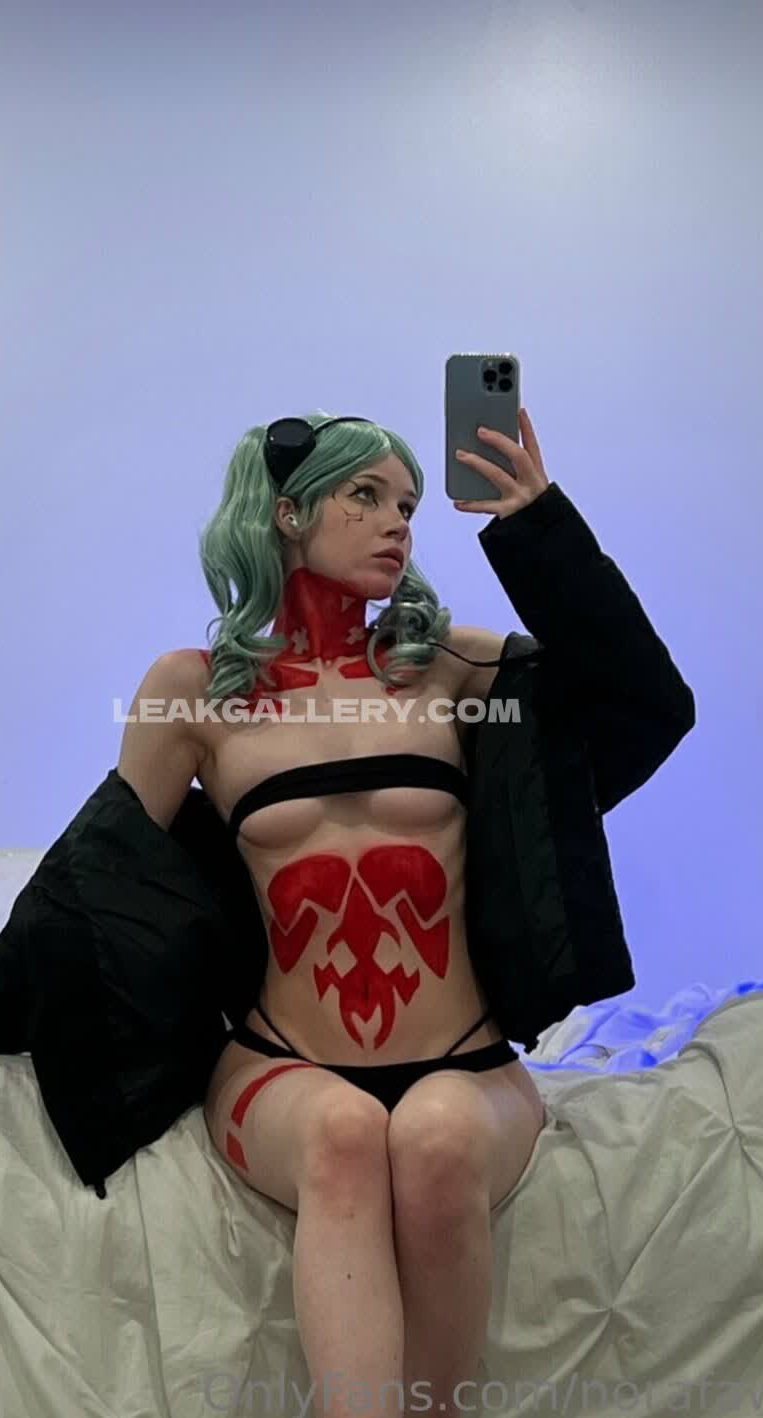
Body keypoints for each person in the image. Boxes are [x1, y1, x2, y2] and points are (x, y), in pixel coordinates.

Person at [114, 407, 579, 1414]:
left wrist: (537, 525)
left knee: (436, 1137)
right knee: (342, 1133)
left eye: (408, 504)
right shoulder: (191, 691)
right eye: (364, 496)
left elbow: (640, 702)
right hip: (281, 1065)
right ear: (285, 513)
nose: (397, 522)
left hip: (469, 1065)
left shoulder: (455, 667)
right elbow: (107, 885)